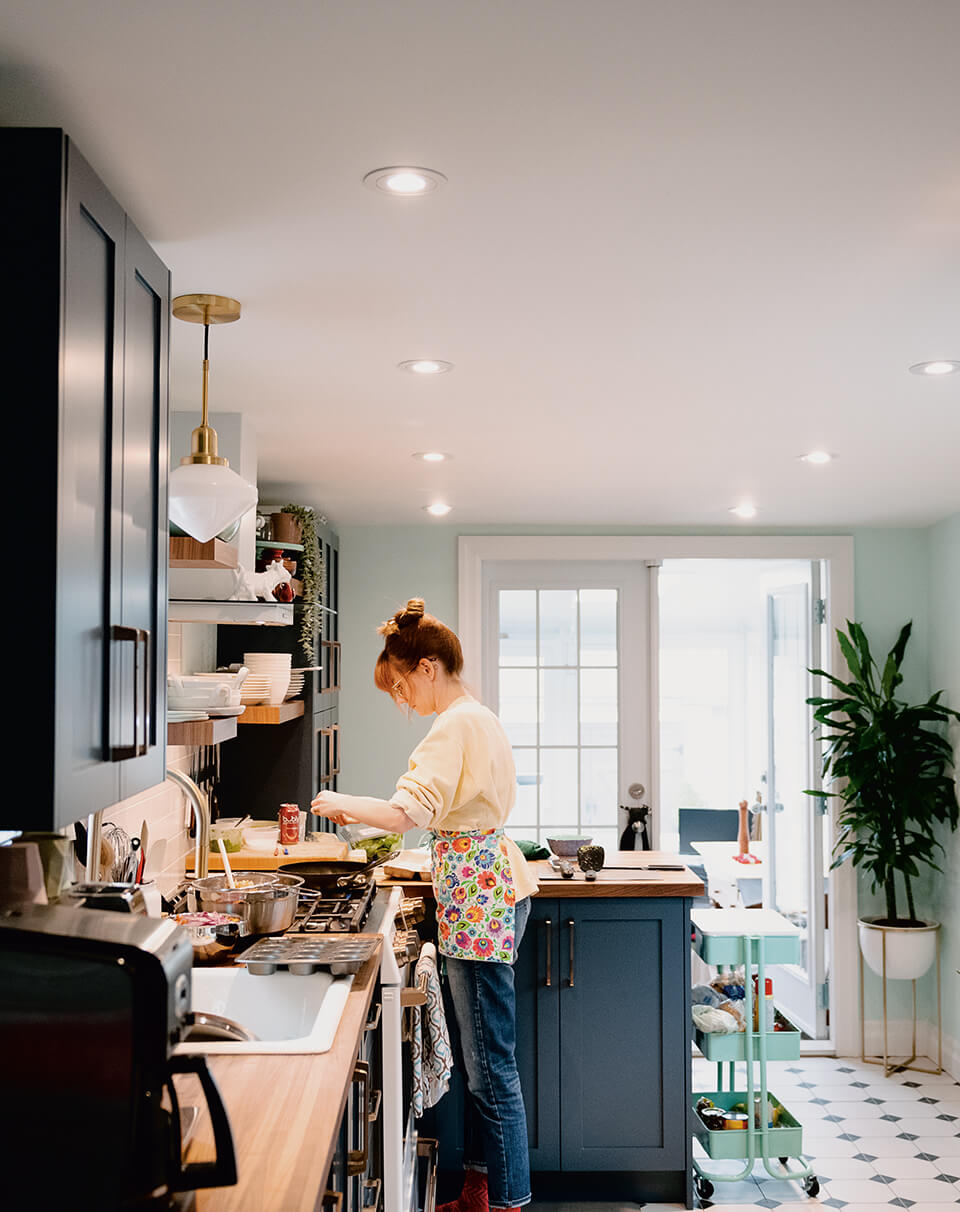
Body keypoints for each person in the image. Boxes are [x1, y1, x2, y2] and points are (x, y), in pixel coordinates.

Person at [312, 598, 537, 1212]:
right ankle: (476, 1190)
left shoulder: (455, 725)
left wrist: (340, 803)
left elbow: (408, 813)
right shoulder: (478, 716)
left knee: (492, 1071)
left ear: (428, 665)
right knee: (480, 1066)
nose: (403, 701)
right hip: (483, 884)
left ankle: (509, 1202)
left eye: (402, 685)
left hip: (478, 893)